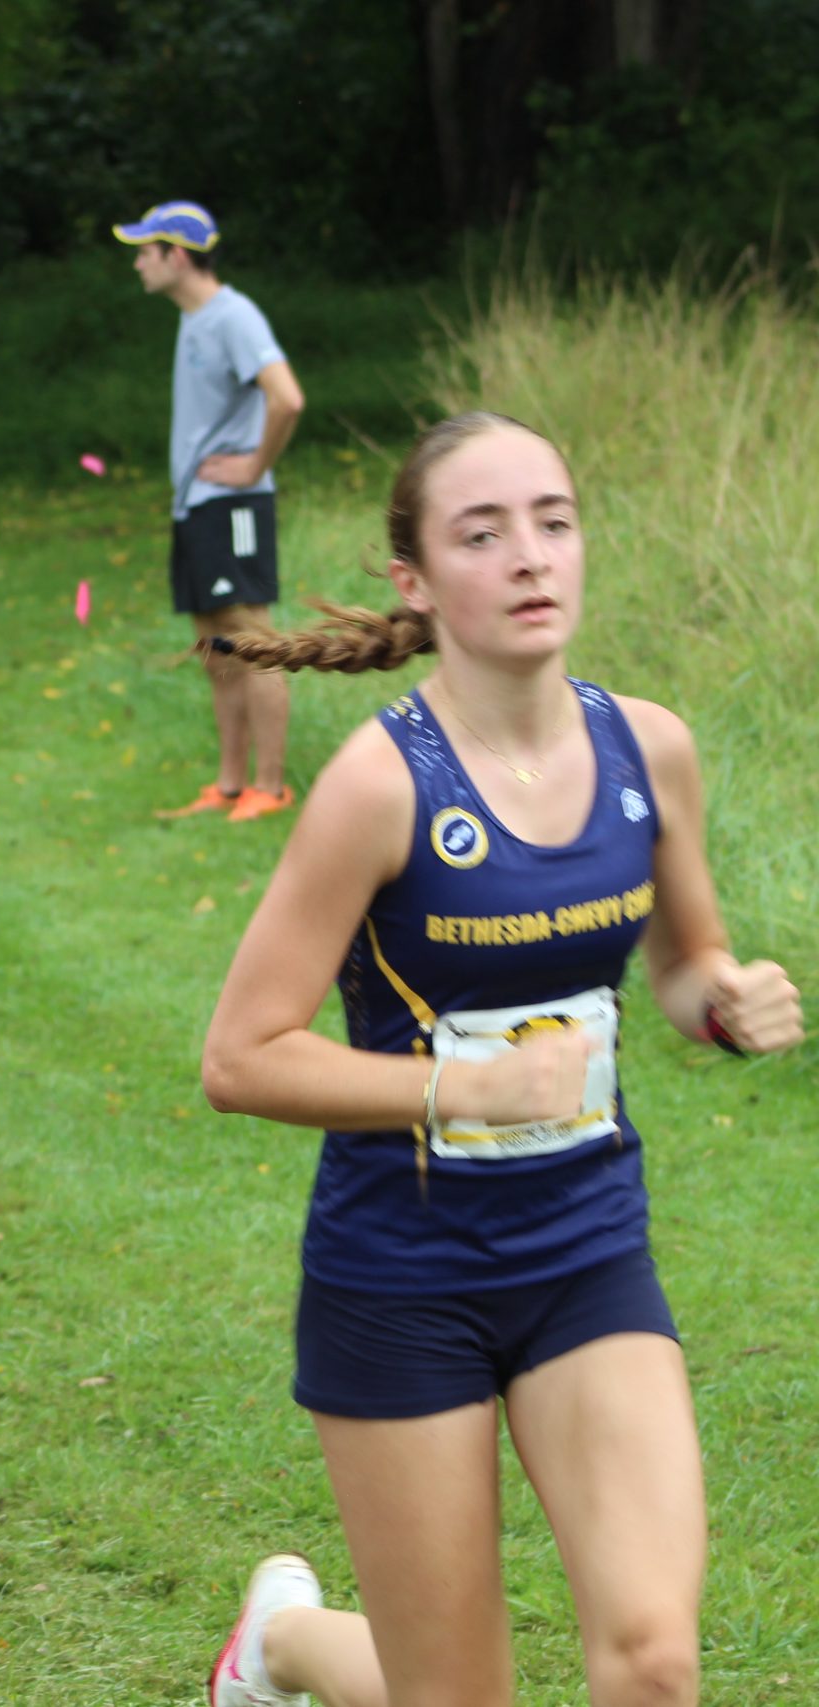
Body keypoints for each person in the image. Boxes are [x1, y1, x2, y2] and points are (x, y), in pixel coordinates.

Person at [197, 413, 804, 1707]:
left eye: (553, 518)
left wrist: (726, 999)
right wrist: (453, 1085)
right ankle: (283, 1644)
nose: (531, 556)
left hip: (587, 1250)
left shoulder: (652, 748)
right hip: (401, 1279)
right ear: (416, 580)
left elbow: (686, 958)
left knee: (654, 1660)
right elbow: (241, 1056)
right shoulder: (378, 785)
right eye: (484, 532)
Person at [115, 200, 307, 824]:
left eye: (145, 251)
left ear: (176, 255)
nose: (138, 263)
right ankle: (229, 786)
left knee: (254, 638)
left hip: (234, 505)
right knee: (214, 644)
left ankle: (272, 787)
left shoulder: (234, 317)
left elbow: (287, 399)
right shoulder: (193, 319)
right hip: (197, 506)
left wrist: (252, 467)